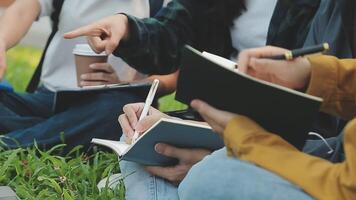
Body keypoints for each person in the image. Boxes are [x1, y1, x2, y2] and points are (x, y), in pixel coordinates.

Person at [0, 0, 178, 152]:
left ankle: (10, 144)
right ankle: (58, 129)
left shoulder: (165, 4)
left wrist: (127, 84)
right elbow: (22, 9)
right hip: (49, 97)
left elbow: (174, 76)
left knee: (117, 112)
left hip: (108, 103)